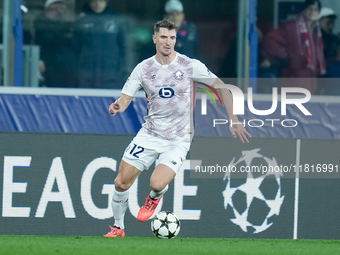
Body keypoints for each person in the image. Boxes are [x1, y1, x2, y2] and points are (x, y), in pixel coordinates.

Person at [104, 19, 251, 238]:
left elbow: (222, 87)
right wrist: (119, 106)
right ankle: (118, 227)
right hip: (150, 133)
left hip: (178, 138)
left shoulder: (190, 65)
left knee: (157, 182)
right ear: (155, 39)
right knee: (121, 182)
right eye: (163, 37)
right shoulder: (143, 68)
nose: (168, 42)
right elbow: (126, 98)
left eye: (172, 38)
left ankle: (154, 197)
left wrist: (233, 118)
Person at [261, 0, 326, 95]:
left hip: (311, 81)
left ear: (319, 13)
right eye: (309, 9)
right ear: (303, 10)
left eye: (315, 10)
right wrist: (285, 56)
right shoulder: (291, 27)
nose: (312, 12)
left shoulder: (317, 31)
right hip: (293, 79)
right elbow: (269, 40)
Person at [73, 0, 126, 89]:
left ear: (106, 2)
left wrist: (125, 71)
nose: (97, 4)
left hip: (111, 75)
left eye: (101, 1)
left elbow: (125, 48)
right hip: (87, 75)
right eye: (94, 1)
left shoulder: (116, 21)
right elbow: (75, 49)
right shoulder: (82, 22)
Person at [34, 0, 77, 87]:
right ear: (47, 8)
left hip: (63, 65)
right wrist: (39, 59)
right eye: (55, 6)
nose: (58, 9)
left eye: (60, 6)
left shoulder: (65, 25)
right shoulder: (41, 24)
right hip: (47, 63)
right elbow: (39, 43)